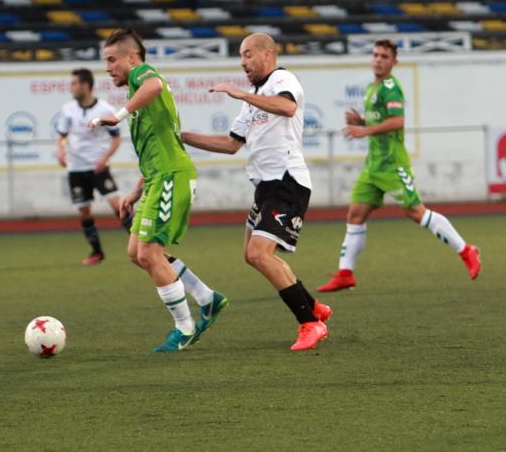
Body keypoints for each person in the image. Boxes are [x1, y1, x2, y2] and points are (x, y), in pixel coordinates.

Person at [181, 33, 332, 351]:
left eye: (248, 54)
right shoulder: (254, 96)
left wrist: (239, 94)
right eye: (241, 55)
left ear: (268, 53)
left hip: (287, 181)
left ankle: (309, 323)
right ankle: (313, 306)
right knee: (252, 253)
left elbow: (287, 108)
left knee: (258, 254)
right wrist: (182, 136)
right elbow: (230, 144)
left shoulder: (282, 79)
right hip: (265, 186)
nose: (243, 61)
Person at [90, 28, 227, 352]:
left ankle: (184, 328)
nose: (108, 68)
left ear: (132, 58)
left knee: (149, 254)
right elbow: (156, 147)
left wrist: (117, 117)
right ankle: (208, 299)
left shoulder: (142, 75)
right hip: (157, 178)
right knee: (136, 252)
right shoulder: (137, 97)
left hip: (171, 177)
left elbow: (155, 84)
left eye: (112, 60)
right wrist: (137, 191)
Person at [319, 40, 481, 292]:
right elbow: (382, 119)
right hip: (373, 166)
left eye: (384, 56)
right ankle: (345, 273)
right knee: (355, 215)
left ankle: (466, 250)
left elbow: (397, 121)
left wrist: (364, 130)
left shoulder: (391, 87)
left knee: (416, 213)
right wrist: (361, 120)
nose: (378, 59)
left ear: (394, 62)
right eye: (375, 55)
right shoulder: (373, 88)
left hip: (393, 164)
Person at [56, 68, 133, 265]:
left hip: (98, 167)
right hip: (75, 168)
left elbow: (116, 139)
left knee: (118, 206)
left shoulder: (106, 109)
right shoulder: (67, 110)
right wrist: (60, 151)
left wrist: (104, 158)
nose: (71, 87)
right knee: (84, 211)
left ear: (86, 85)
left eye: (74, 83)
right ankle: (97, 251)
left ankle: (140, 244)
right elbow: (62, 137)